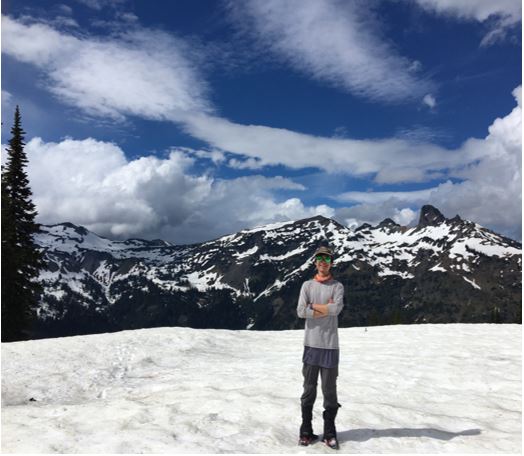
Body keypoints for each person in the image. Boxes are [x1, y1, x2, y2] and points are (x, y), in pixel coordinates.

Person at [296, 245, 344, 450]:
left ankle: (329, 432)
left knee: (329, 391)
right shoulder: (307, 285)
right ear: (315, 262)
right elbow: (300, 311)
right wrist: (325, 308)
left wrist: (312, 306)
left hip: (330, 347)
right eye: (319, 259)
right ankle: (305, 431)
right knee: (309, 390)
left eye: (327, 259)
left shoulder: (337, 286)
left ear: (331, 262)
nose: (323, 262)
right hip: (311, 345)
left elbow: (337, 309)